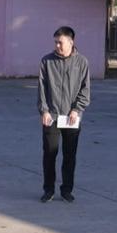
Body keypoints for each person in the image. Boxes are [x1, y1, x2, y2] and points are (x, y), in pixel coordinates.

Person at [37, 24, 90, 202]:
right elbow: (42, 88)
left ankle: (67, 189)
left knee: (69, 155)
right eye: (55, 42)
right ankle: (48, 189)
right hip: (51, 116)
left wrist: (77, 109)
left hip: (71, 117)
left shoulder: (82, 62)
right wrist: (44, 110)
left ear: (71, 42)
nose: (57, 46)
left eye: (60, 42)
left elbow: (85, 90)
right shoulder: (46, 61)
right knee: (50, 154)